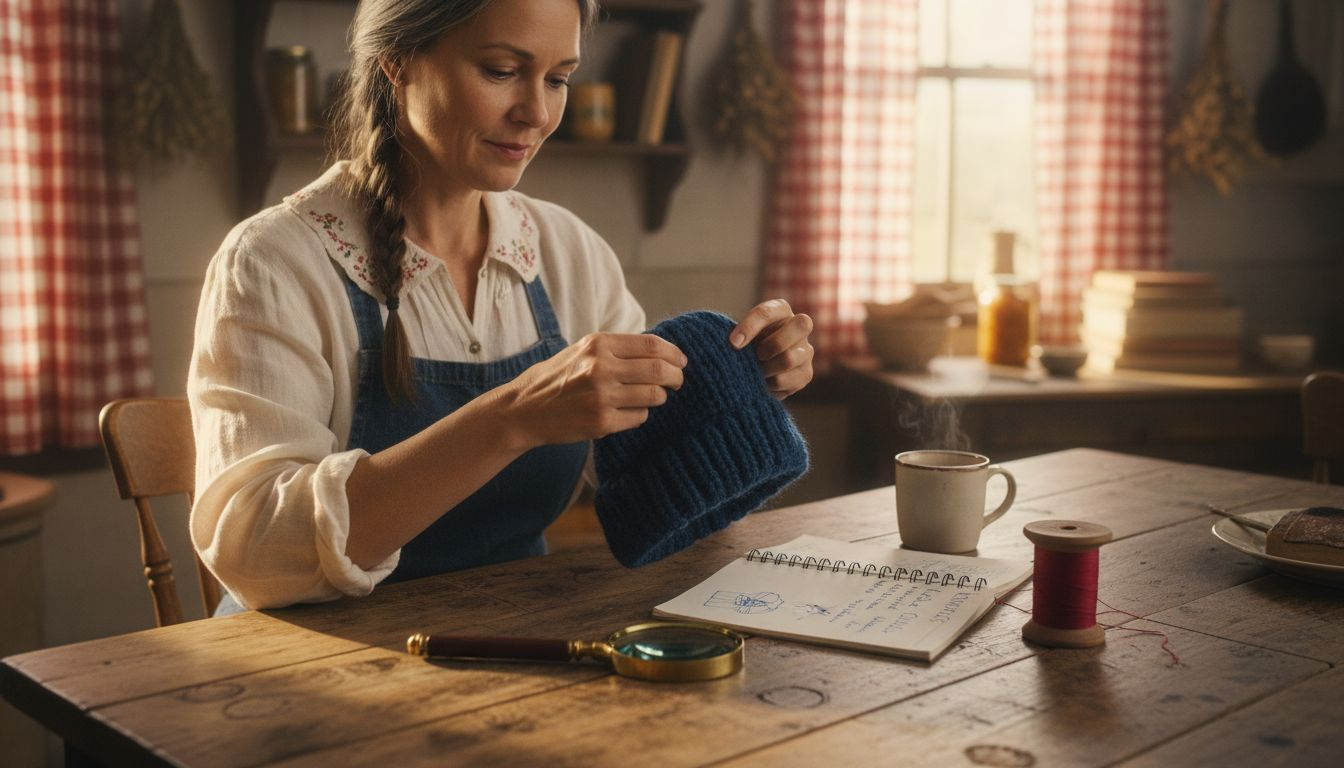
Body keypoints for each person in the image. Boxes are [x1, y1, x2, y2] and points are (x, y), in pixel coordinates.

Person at [188, 0, 815, 614]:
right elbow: (253, 553)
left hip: (514, 634)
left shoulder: (567, 251)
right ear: (398, 62)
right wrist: (510, 418)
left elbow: (646, 478)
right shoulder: (275, 262)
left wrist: (738, 384)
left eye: (558, 79)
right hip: (304, 664)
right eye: (500, 71)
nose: (536, 113)